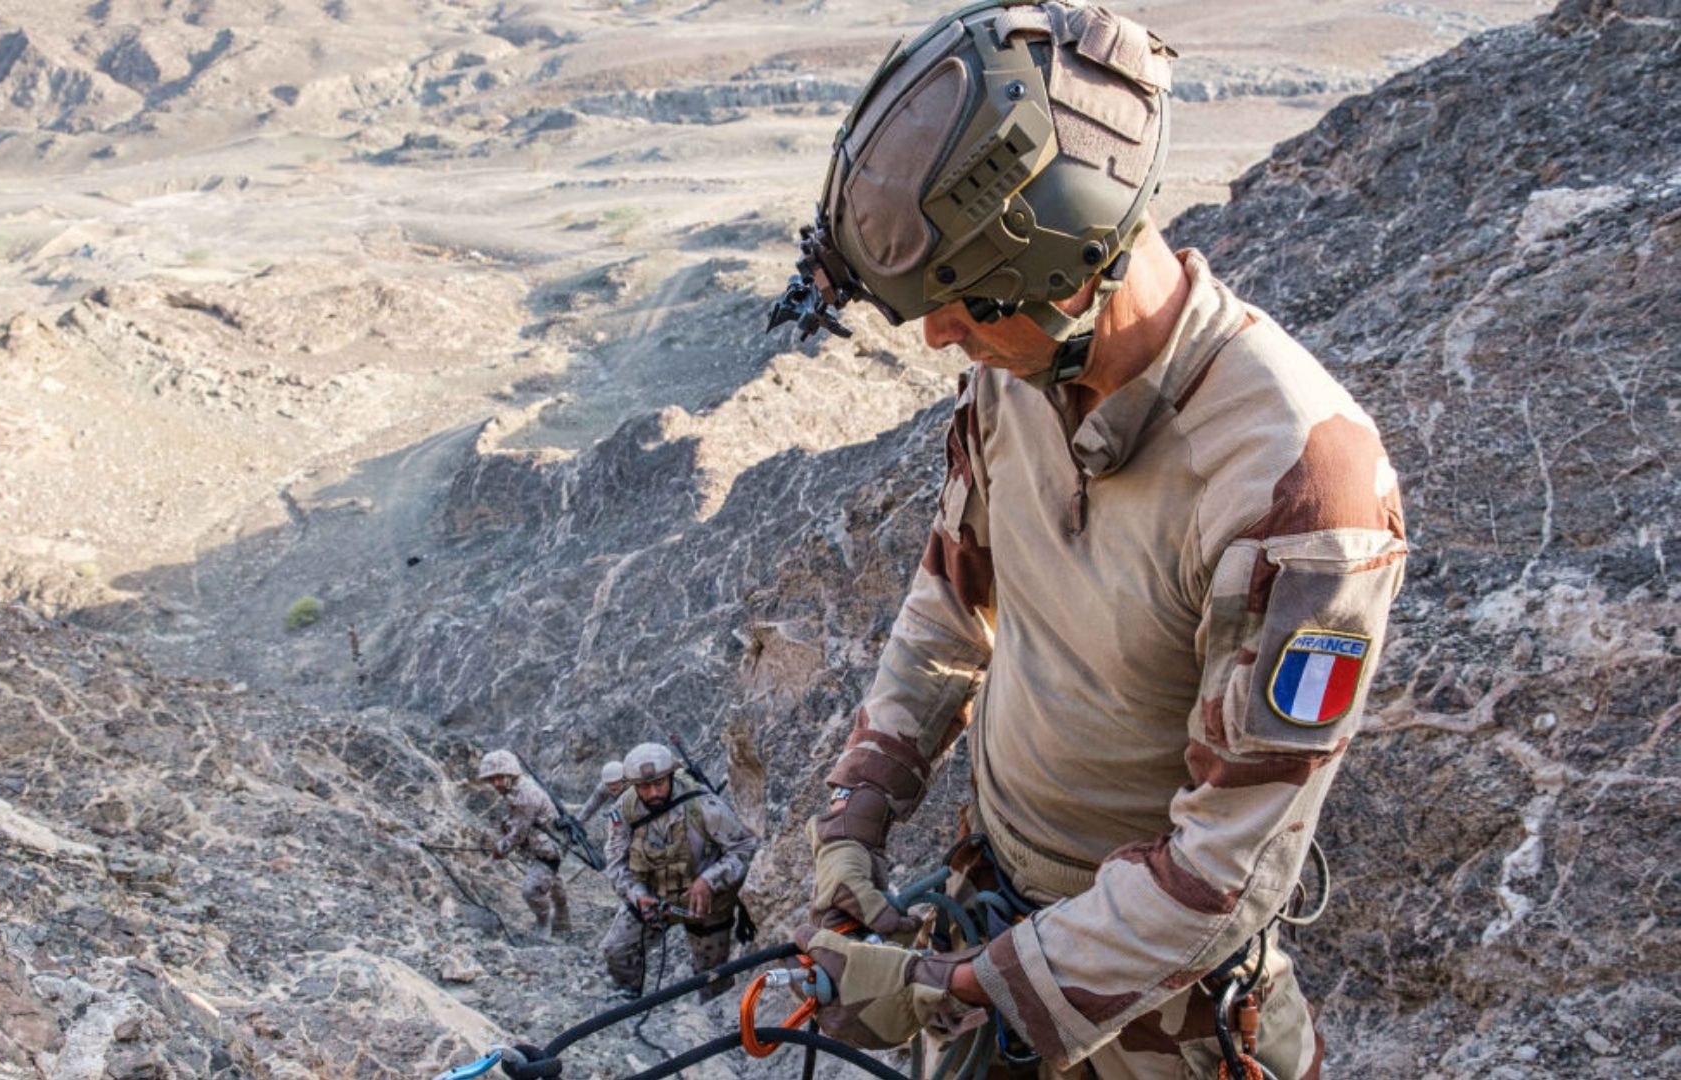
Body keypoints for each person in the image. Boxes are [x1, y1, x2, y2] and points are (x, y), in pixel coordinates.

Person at [772, 4, 1407, 1077]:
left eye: (965, 306)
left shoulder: (1299, 492)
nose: (939, 336)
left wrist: (947, 992)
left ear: (1071, 268)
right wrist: (857, 818)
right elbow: (951, 607)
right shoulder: (1017, 372)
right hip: (995, 923)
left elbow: (1222, 874)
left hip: (1163, 1019)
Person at [601, 742, 759, 1002]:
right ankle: (629, 999)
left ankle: (712, 1017)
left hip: (705, 902)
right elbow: (616, 863)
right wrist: (637, 895)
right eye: (643, 786)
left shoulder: (702, 805)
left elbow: (744, 848)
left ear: (671, 776)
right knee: (616, 948)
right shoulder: (623, 812)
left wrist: (709, 881)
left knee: (712, 977)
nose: (653, 793)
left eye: (659, 783)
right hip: (654, 899)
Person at [476, 749, 572, 939]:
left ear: (510, 774)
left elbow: (518, 834)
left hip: (549, 850)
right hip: (546, 844)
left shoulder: (525, 796)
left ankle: (544, 922)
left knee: (531, 890)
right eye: (492, 779)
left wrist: (499, 850)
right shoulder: (518, 787)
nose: (495, 783)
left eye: (499, 778)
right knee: (552, 881)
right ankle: (563, 920)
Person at [577, 759, 628, 828]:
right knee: (614, 812)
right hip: (619, 810)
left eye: (615, 783)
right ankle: (618, 834)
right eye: (609, 784)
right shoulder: (603, 787)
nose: (612, 788)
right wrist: (577, 822)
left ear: (623, 780)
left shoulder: (634, 784)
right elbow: (590, 806)